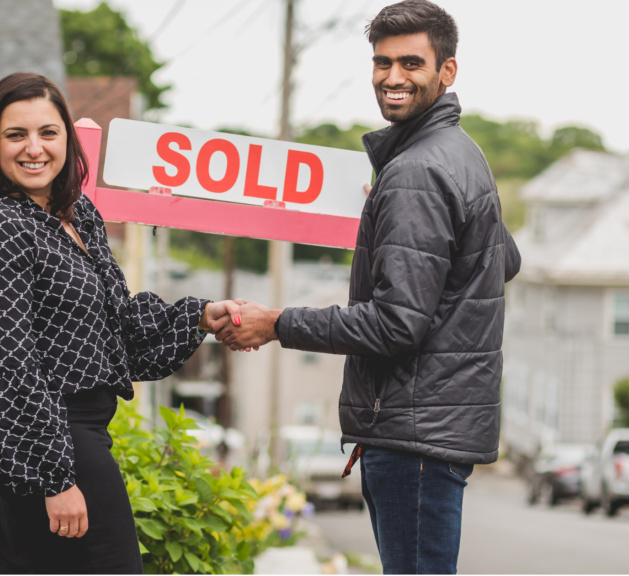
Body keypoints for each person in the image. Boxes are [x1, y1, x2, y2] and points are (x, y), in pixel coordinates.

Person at [217, 1, 521, 573]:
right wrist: (403, 221)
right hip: (429, 431)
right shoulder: (460, 156)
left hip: (415, 436)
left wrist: (277, 323)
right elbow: (503, 258)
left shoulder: (417, 172)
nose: (393, 77)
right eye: (382, 63)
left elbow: (396, 324)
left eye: (411, 62)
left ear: (447, 72)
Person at [0, 72, 244, 574]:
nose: (34, 149)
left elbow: (120, 327)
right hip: (54, 437)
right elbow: (10, 365)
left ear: (67, 137)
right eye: (15, 135)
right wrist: (55, 477)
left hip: (83, 429)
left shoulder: (78, 214)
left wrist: (197, 316)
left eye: (48, 132)